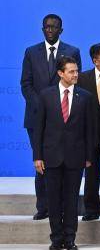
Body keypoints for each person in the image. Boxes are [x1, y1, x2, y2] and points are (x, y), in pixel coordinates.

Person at [32, 57, 97, 250]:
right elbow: (39, 128)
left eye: (76, 71)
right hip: (51, 156)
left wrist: (88, 156)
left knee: (71, 199)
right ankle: (56, 238)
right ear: (61, 73)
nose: (76, 74)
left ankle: (70, 238)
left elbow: (90, 130)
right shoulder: (46, 96)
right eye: (71, 71)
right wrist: (37, 156)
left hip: (75, 157)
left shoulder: (85, 96)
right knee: (53, 199)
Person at [21, 14, 82, 220]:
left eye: (54, 27)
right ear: (42, 29)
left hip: (64, 120)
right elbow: (26, 84)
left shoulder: (72, 52)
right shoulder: (31, 52)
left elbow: (76, 83)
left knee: (63, 163)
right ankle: (43, 206)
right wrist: (43, 106)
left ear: (61, 30)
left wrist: (56, 108)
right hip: (37, 117)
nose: (49, 30)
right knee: (42, 162)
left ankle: (63, 206)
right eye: (46, 27)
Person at [77, 43, 100, 221]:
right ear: (95, 60)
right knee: (91, 175)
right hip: (89, 136)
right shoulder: (82, 79)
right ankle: (91, 209)